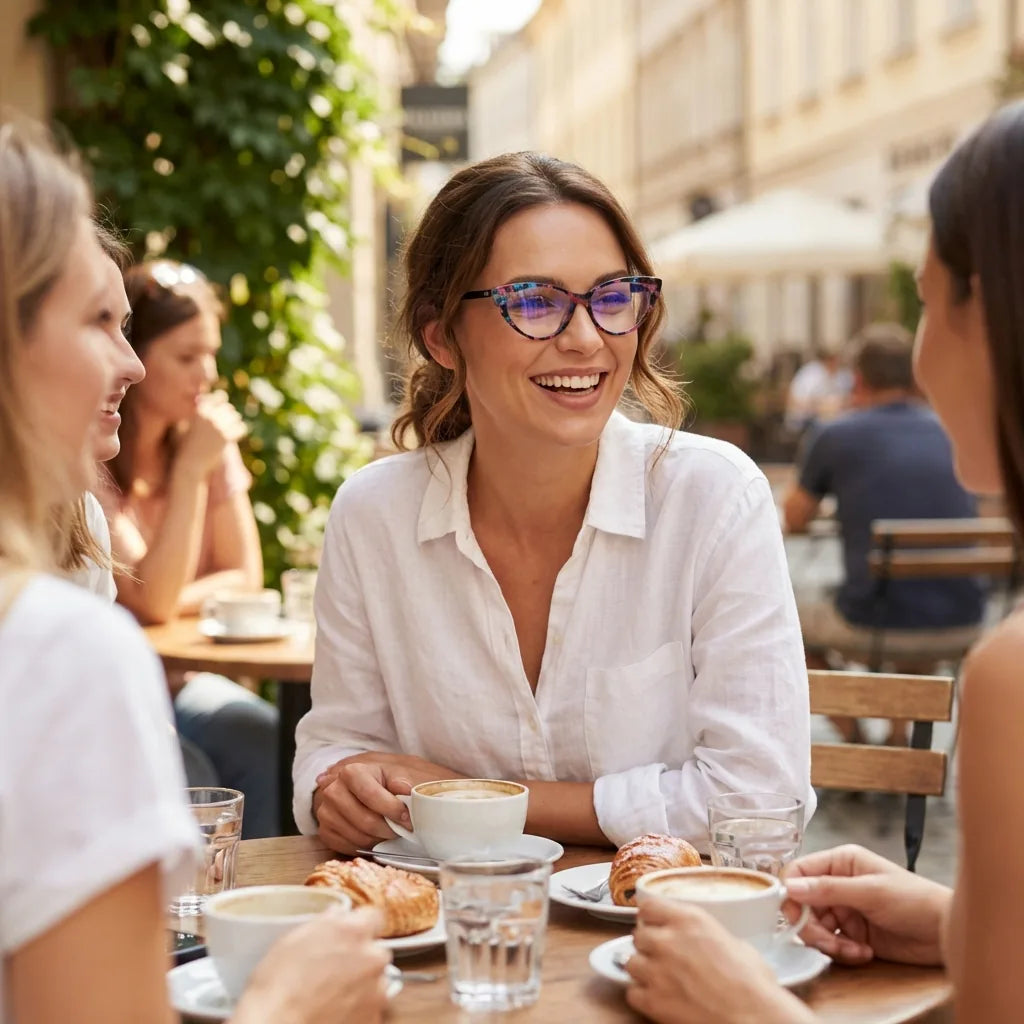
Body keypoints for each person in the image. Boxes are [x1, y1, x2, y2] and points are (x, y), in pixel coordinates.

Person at [624, 98, 1024, 1023]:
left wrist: (750, 1011)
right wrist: (961, 922)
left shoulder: (1012, 680)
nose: (924, 357)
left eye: (926, 302)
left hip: (877, 610)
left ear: (997, 316)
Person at [294, 151, 814, 854]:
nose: (585, 339)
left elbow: (760, 800)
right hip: (442, 943)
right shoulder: (374, 514)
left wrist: (474, 802)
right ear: (440, 335)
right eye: (535, 302)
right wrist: (336, 789)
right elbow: (337, 746)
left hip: (660, 936)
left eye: (611, 297)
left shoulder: (713, 498)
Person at [0, 118, 389, 1024]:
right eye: (99, 322)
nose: (132, 365)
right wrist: (291, 1002)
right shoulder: (56, 654)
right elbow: (165, 601)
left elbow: (237, 577)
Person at [99, 258, 279, 838]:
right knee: (191, 772)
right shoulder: (95, 452)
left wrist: (167, 595)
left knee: (266, 737)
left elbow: (244, 576)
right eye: (184, 357)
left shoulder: (205, 441)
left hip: (182, 681)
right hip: (125, 693)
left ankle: (267, 907)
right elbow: (155, 600)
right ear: (137, 356)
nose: (205, 373)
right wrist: (190, 475)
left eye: (210, 352)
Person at [783, 323, 985, 742]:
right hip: (963, 616)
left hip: (875, 620)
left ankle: (856, 740)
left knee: (783, 625)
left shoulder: (836, 434)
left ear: (857, 379)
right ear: (913, 377)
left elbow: (795, 517)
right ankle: (898, 738)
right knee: (916, 589)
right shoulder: (952, 429)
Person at [784, 348, 852, 435]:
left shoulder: (842, 375)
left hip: (835, 422)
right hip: (806, 423)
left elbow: (849, 398)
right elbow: (793, 402)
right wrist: (820, 406)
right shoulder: (810, 373)